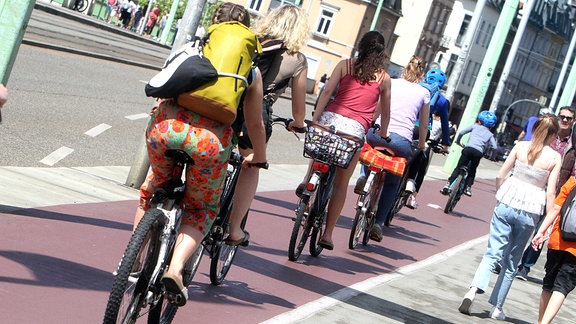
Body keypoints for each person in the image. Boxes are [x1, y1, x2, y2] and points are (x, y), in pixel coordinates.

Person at [132, 2, 267, 306]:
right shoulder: (250, 69)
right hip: (210, 142)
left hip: (167, 129)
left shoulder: (193, 47)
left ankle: (134, 261)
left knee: (152, 190)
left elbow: (162, 85)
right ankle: (176, 270)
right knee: (202, 208)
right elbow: (255, 122)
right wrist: (259, 154)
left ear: (214, 24)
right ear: (246, 32)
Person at [458, 113, 561, 320]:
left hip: (507, 201)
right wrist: (549, 222)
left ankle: (473, 290)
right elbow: (551, 192)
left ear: (535, 129)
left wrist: (501, 193)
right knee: (512, 261)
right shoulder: (554, 157)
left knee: (492, 252)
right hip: (530, 209)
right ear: (553, 135)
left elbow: (500, 175)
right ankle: (496, 307)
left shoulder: (521, 146)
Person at [295, 30, 391, 250]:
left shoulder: (345, 65)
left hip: (331, 120)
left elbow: (327, 91)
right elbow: (385, 112)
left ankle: (308, 179)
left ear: (360, 46)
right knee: (340, 183)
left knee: (320, 146)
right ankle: (327, 234)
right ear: (381, 53)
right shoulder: (384, 79)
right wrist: (383, 133)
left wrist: (317, 117)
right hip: (354, 131)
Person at [225, 4, 310, 245]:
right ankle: (234, 228)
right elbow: (298, 108)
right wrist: (298, 123)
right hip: (256, 115)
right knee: (252, 164)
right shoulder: (298, 60)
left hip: (230, 103)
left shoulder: (252, 41)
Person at [357, 55, 428, 243]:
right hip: (400, 141)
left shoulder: (391, 82)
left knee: (369, 152)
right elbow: (422, 125)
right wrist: (421, 145)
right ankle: (379, 223)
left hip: (379, 132)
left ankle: (365, 177)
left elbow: (378, 109)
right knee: (391, 183)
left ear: (405, 68)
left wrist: (370, 124)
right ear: (422, 73)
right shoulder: (424, 93)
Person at [516, 106, 576, 280]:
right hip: (536, 188)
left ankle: (525, 266)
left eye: (568, 118)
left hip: (557, 195)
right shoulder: (547, 136)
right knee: (523, 225)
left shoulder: (573, 144)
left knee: (542, 231)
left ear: (572, 121)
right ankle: (510, 259)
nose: (564, 120)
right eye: (562, 117)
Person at [531, 173, 576, 324]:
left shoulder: (572, 181)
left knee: (548, 283)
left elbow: (555, 209)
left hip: (558, 240)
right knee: (562, 287)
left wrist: (540, 232)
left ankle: (540, 322)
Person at [404, 67, 452, 209]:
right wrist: (445, 143)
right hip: (424, 129)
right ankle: (412, 187)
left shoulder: (416, 88)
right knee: (422, 160)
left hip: (407, 123)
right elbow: (444, 124)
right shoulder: (442, 101)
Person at [442, 111, 498, 197]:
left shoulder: (474, 127)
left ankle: (448, 184)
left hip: (468, 149)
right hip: (478, 153)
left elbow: (461, 133)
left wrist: (458, 141)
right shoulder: (490, 134)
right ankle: (468, 188)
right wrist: (492, 157)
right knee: (472, 170)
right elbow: (494, 147)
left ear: (479, 121)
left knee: (458, 167)